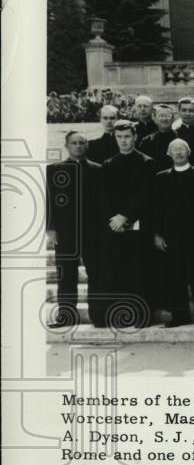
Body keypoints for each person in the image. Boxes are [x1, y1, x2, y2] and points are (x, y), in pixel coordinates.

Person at [93, 121, 156, 328]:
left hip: (139, 227)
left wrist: (125, 216)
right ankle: (117, 316)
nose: (124, 141)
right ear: (115, 138)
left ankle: (142, 317)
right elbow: (102, 198)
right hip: (115, 228)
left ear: (135, 136)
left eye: (127, 136)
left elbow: (144, 195)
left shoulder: (146, 162)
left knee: (139, 271)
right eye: (119, 137)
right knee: (116, 272)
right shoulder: (109, 164)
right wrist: (113, 219)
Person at [151, 139, 194, 327]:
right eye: (174, 150)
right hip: (171, 236)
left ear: (188, 152)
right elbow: (156, 209)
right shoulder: (161, 178)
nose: (178, 153)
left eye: (182, 149)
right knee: (175, 277)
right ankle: (180, 317)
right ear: (169, 154)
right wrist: (157, 234)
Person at [46, 131, 102, 327]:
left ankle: (98, 315)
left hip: (92, 232)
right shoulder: (54, 170)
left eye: (82, 143)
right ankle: (66, 316)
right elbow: (49, 201)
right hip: (65, 232)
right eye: (74, 143)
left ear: (87, 146)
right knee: (66, 274)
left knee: (96, 272)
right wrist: (51, 228)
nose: (78, 146)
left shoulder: (97, 170)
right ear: (67, 146)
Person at [138, 104, 180, 172]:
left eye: (168, 116)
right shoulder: (147, 141)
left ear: (173, 118)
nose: (164, 119)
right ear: (154, 118)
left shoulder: (181, 139)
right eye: (161, 116)